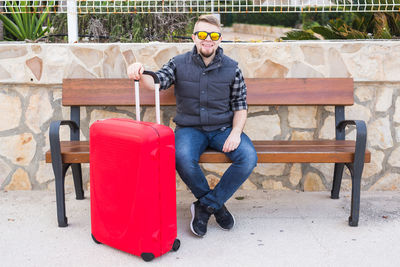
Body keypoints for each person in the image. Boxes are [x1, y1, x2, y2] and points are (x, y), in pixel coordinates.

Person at [127, 15, 257, 237]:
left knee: (248, 157)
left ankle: (205, 207)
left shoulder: (232, 68)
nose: (208, 39)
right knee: (181, 156)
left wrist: (236, 132)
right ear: (194, 37)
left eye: (214, 35)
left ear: (220, 39)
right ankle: (217, 206)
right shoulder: (178, 63)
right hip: (190, 129)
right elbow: (156, 82)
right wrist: (140, 71)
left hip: (223, 128)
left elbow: (240, 106)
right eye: (203, 35)